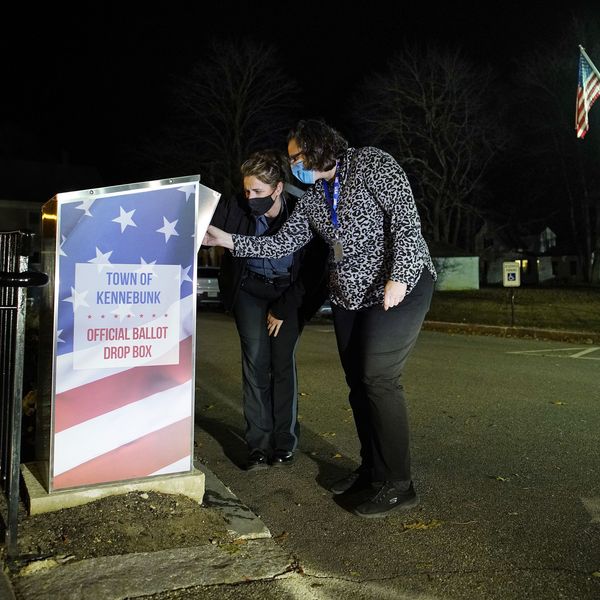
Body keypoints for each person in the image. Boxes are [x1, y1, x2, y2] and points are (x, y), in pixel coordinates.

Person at [204, 119, 437, 518]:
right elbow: (280, 242)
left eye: (297, 157)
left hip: (398, 288)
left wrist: (399, 276)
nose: (293, 165)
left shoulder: (372, 164)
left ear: (319, 148)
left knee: (378, 379)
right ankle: (372, 471)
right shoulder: (314, 199)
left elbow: (405, 220)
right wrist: (226, 240)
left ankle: (398, 483)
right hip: (350, 298)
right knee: (357, 385)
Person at [208, 149, 328, 472]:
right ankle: (258, 444)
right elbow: (203, 223)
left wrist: (285, 308)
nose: (250, 197)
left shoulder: (303, 212)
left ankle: (284, 441)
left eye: (258, 191)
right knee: (255, 362)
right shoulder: (236, 207)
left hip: (288, 294)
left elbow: (314, 270)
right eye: (247, 190)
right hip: (249, 290)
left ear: (277, 189)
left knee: (281, 362)